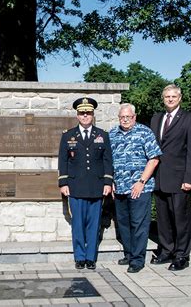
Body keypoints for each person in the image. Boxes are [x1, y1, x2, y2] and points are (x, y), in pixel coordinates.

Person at [150, 84, 191, 271]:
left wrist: (189, 178)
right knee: (163, 218)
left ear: (179, 98)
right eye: (167, 96)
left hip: (180, 179)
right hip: (159, 178)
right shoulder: (156, 118)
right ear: (163, 98)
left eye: (173, 96)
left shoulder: (190, 119)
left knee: (180, 219)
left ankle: (181, 255)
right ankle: (166, 250)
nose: (170, 99)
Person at [58, 97, 113, 270]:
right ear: (77, 115)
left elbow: (107, 161)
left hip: (96, 188)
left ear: (93, 114)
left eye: (88, 113)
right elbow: (63, 161)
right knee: (78, 224)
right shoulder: (68, 136)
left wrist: (107, 182)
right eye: (82, 113)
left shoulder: (102, 135)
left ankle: (91, 257)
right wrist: (63, 183)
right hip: (75, 187)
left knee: (94, 224)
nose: (85, 116)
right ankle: (80, 257)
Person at [109, 103, 161, 273]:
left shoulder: (144, 132)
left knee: (138, 224)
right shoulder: (112, 134)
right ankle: (129, 254)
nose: (125, 120)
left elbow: (154, 159)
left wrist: (141, 181)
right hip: (120, 188)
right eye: (122, 117)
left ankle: (138, 260)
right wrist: (111, 182)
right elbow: (108, 161)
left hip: (139, 187)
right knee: (123, 223)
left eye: (128, 117)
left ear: (134, 117)